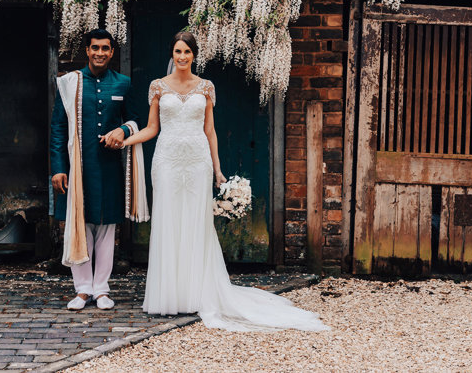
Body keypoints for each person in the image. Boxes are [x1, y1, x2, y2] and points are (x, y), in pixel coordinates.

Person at [123, 31, 329, 332]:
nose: (182, 57)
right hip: (166, 161)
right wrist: (126, 140)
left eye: (187, 52)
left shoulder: (206, 87)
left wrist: (218, 170)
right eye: (178, 51)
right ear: (172, 54)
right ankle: (169, 295)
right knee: (168, 221)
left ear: (194, 55)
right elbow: (152, 128)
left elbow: (210, 131)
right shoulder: (157, 86)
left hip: (198, 162)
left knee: (197, 224)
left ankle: (196, 293)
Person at [49, 28, 141, 311]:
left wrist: (123, 130)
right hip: (77, 166)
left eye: (105, 48)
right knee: (80, 224)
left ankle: (101, 289)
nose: (100, 53)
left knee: (106, 228)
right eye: (95, 48)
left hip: (109, 167)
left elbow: (136, 121)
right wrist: (58, 168)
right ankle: (82, 290)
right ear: (87, 51)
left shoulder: (123, 83)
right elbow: (58, 128)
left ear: (111, 52)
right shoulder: (70, 83)